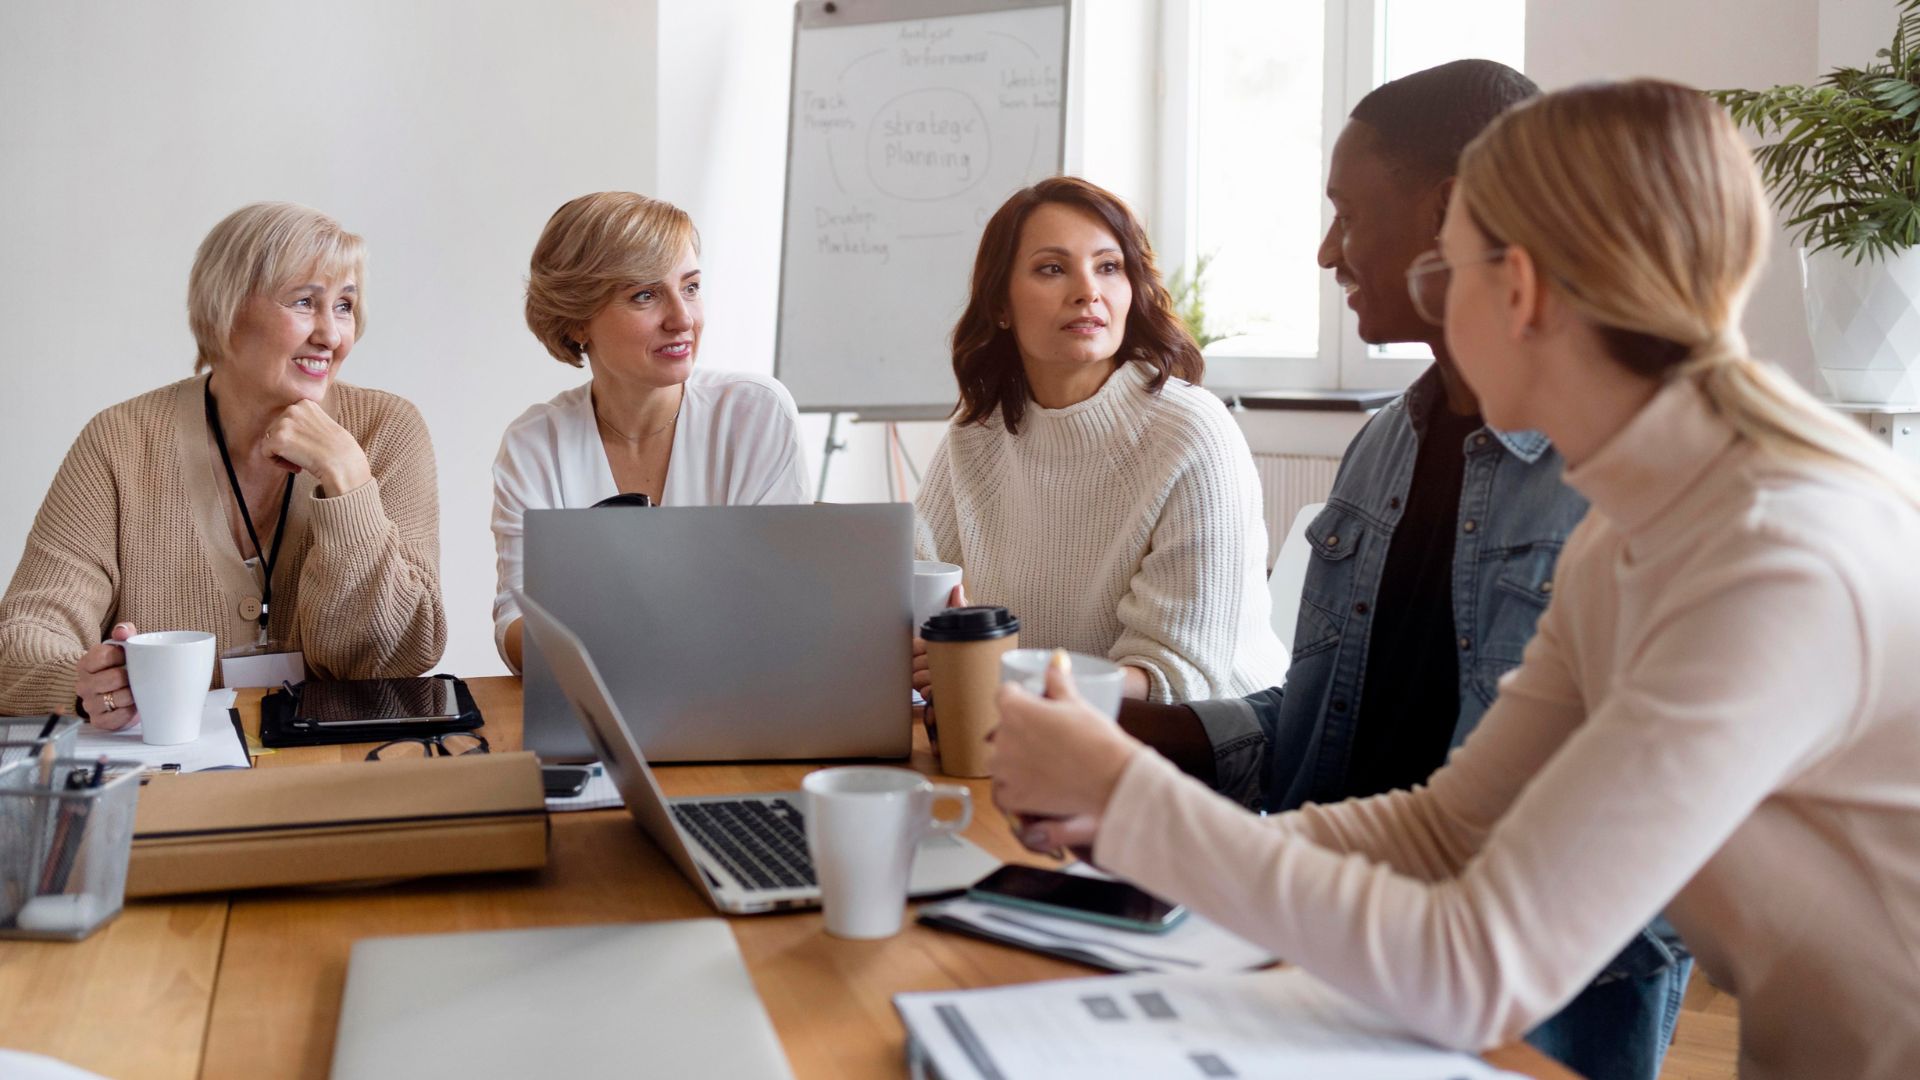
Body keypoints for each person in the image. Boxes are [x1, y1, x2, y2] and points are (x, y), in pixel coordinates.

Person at [992, 78, 1920, 1078]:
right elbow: (1448, 826)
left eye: (1450, 270)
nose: (1433, 297)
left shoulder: (1772, 557)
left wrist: (1132, 802)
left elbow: (1476, 967)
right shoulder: (1630, 535)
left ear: (1516, 290)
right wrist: (1136, 833)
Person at [1112, 61, 1686, 1080]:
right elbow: (1335, 725)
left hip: (1515, 1002)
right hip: (1331, 949)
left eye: (1345, 212)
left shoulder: (1619, 479)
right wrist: (1139, 738)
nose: (1327, 249)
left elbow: (1557, 849)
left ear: (1448, 216)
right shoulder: (1383, 444)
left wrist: (1156, 815)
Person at [0, 202, 446, 725]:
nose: (331, 335)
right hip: (174, 780)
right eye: (305, 302)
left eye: (344, 306)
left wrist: (347, 480)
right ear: (226, 310)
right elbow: (25, 635)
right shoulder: (119, 442)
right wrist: (83, 680)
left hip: (343, 770)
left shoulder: (386, 430)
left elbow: (400, 655)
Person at [912, 176, 1287, 704]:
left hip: (1212, 746)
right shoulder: (977, 434)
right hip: (1032, 731)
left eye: (1109, 267)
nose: (1088, 290)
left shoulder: (1190, 430)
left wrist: (1000, 674)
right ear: (1000, 304)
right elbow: (915, 596)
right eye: (1052, 268)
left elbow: (1176, 678)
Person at [491, 192, 809, 672]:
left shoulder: (755, 413)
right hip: (598, 713)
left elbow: (777, 614)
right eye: (645, 294)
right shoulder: (536, 443)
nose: (682, 319)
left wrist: (599, 623)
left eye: (692, 287)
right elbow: (515, 622)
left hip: (741, 703)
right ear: (578, 320)